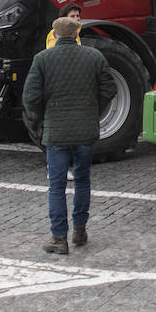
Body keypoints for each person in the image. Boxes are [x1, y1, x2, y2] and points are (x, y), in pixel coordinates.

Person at [23, 15, 116, 255]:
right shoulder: (94, 57)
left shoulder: (42, 59)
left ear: (54, 35)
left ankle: (59, 237)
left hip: (56, 131)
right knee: (83, 180)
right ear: (76, 34)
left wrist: (42, 117)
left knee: (56, 186)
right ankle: (80, 229)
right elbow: (109, 89)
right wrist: (93, 109)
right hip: (86, 130)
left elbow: (31, 97)